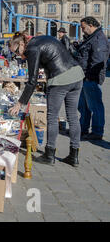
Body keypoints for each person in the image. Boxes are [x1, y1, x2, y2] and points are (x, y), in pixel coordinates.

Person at [8, 32, 85, 167]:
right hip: (76, 75)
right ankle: (74, 155)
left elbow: (32, 81)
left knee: (52, 117)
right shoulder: (38, 40)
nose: (18, 56)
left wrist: (19, 103)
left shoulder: (31, 49)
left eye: (16, 52)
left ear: (21, 44)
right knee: (73, 117)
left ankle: (49, 155)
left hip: (60, 79)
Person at [75, 17, 110, 141]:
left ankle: (97, 132)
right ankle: (83, 128)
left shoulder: (99, 39)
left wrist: (90, 78)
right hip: (84, 78)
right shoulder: (91, 38)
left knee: (95, 106)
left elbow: (98, 61)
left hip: (91, 79)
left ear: (91, 25)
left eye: (83, 27)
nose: (82, 30)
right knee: (84, 106)